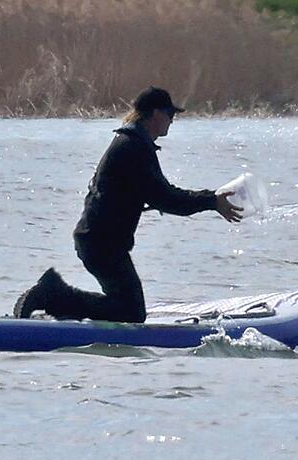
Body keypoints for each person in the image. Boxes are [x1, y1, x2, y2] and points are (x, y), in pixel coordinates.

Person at [13, 87, 242, 322]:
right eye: (169, 114)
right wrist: (212, 201)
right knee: (130, 312)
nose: (172, 120)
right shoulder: (133, 148)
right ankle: (52, 295)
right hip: (102, 243)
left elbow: (146, 193)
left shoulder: (131, 143)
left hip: (98, 240)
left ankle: (55, 298)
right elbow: (166, 197)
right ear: (155, 114)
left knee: (125, 307)